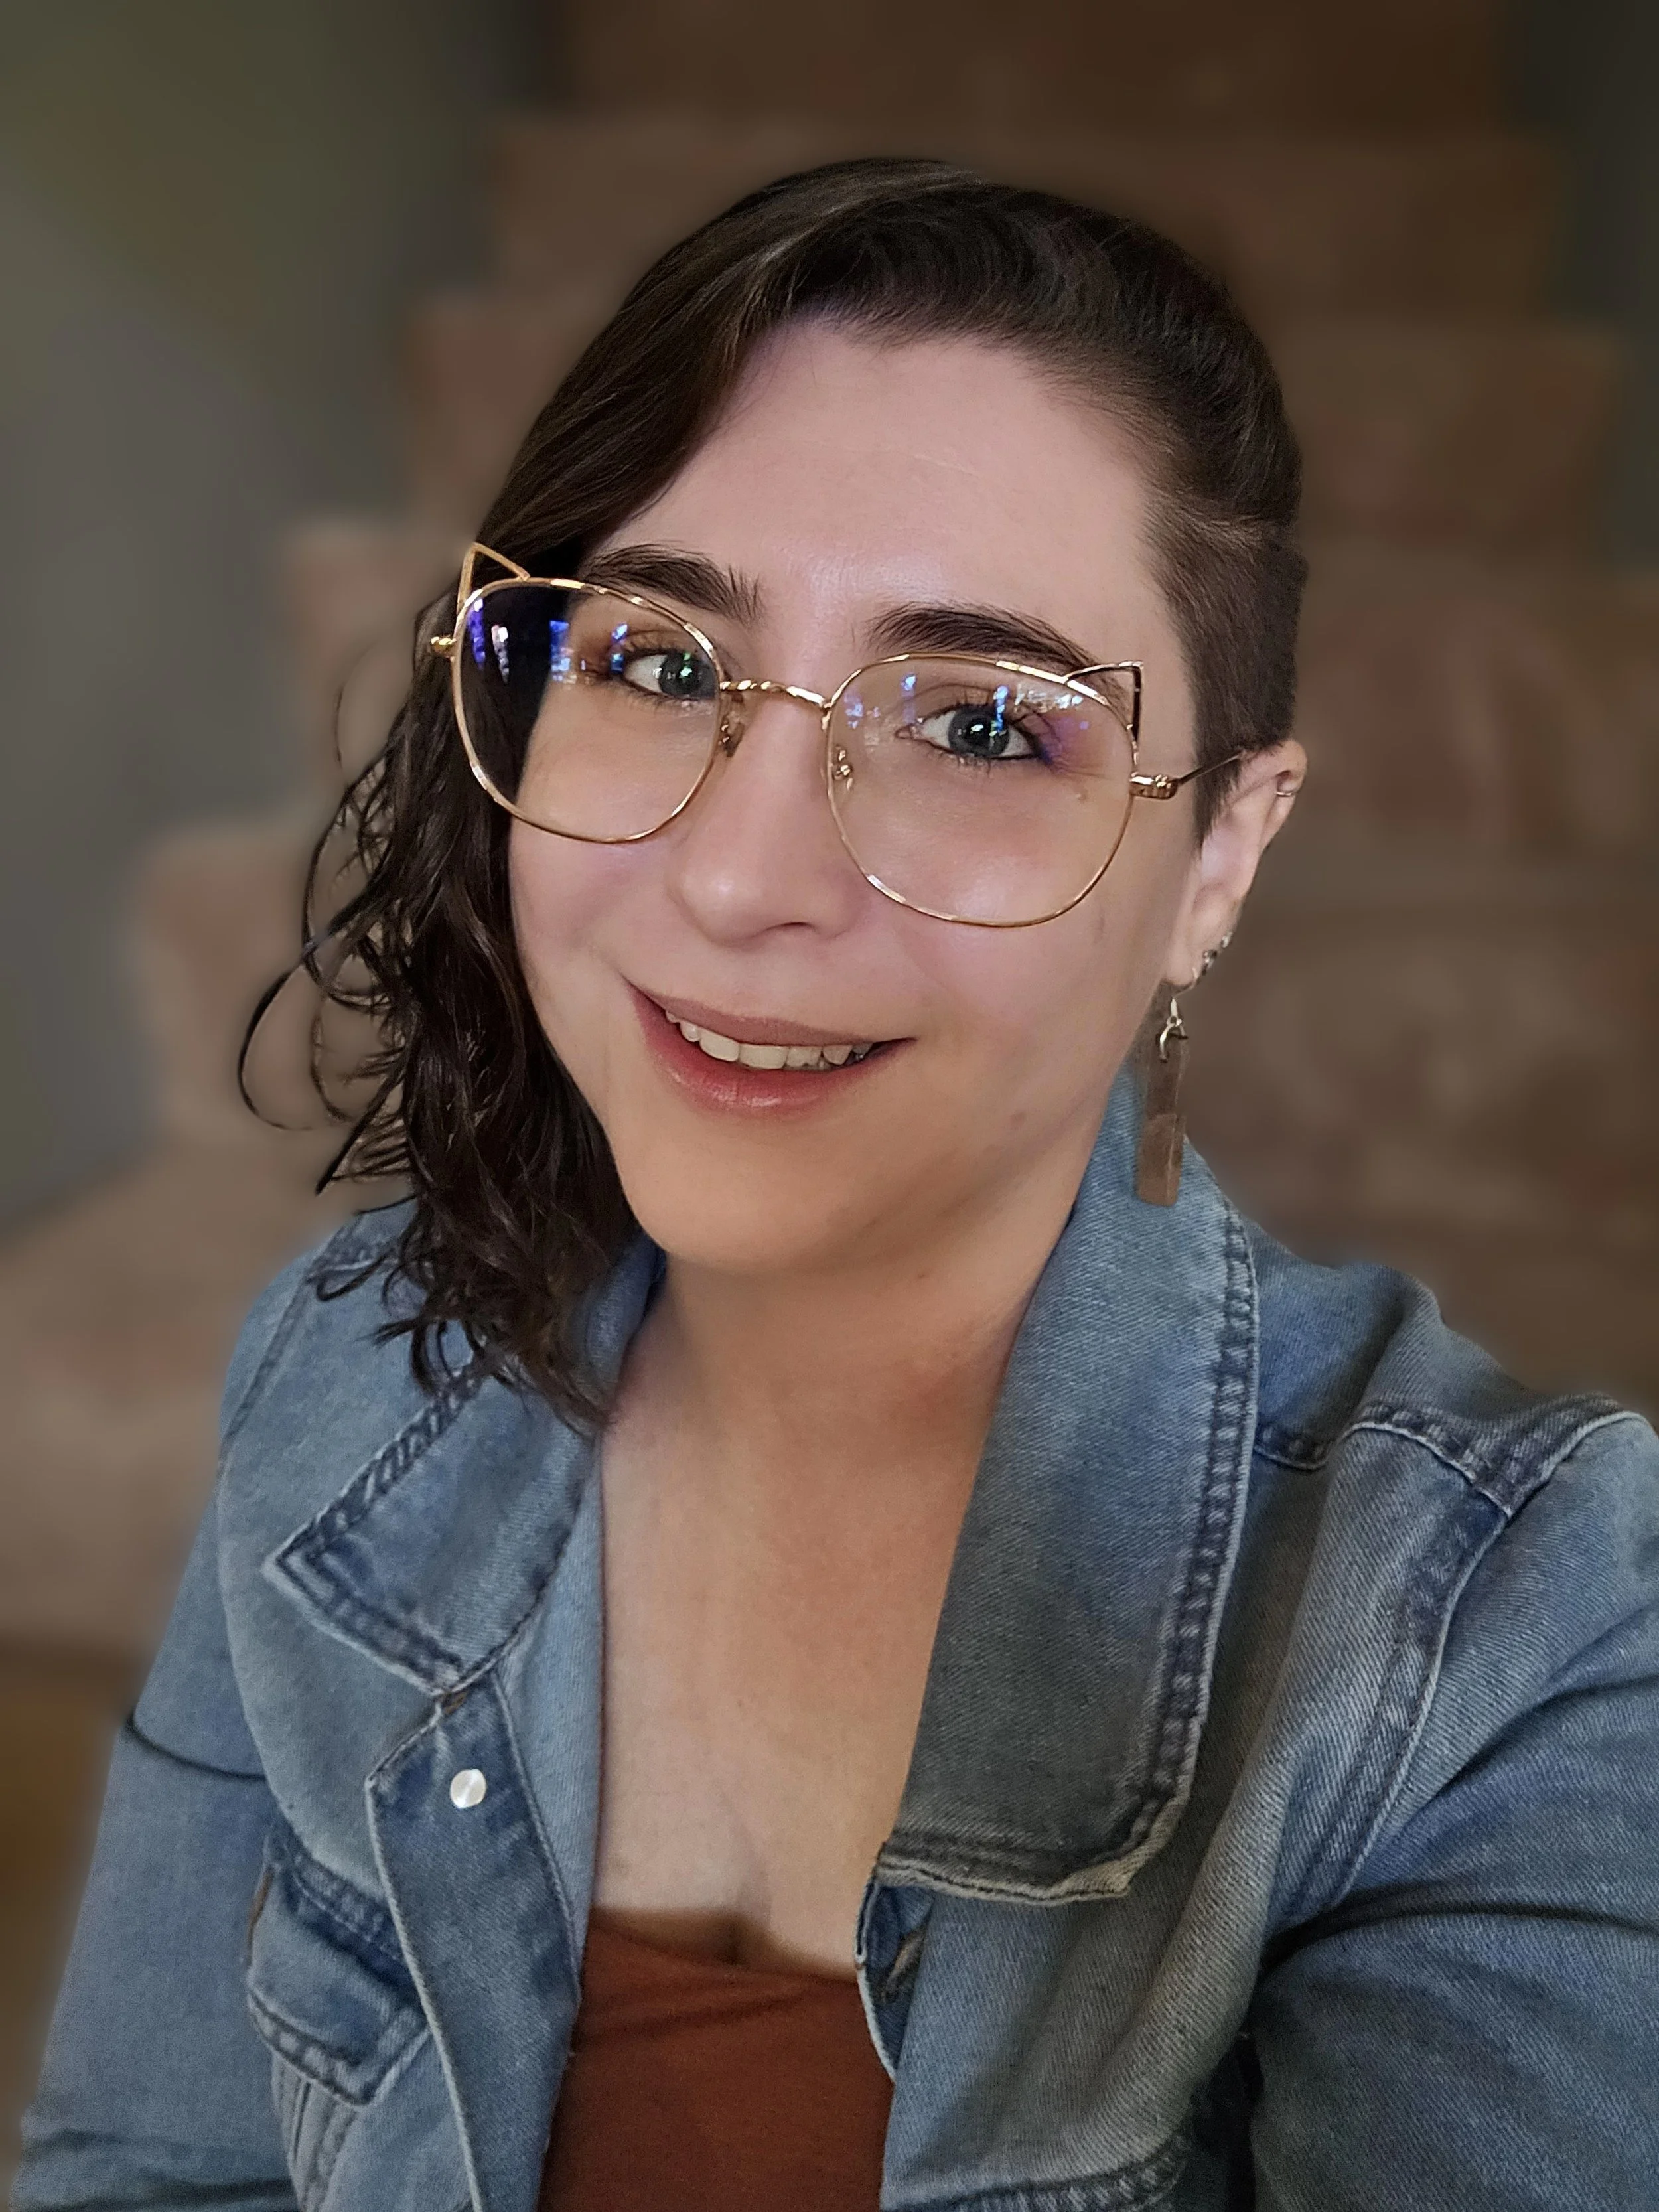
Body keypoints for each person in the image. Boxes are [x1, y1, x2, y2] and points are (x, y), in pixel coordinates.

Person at [15, 159, 1659, 2212]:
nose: (733, 879)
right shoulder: (350, 1365)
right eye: (659, 663)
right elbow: (149, 2170)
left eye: (979, 720)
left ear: (1219, 856)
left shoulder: (1512, 1617)